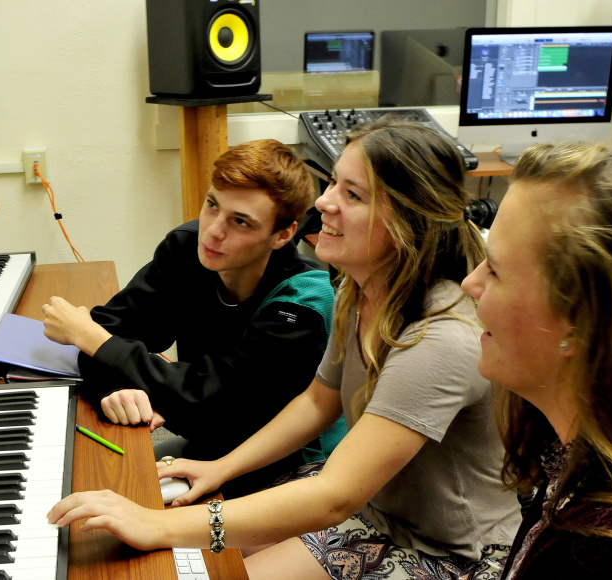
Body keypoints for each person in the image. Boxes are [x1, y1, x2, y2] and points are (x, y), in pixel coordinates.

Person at [47, 119, 523, 580]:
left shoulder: (436, 339)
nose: (324, 202)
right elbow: (318, 401)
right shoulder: (360, 293)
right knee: (168, 542)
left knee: (189, 550)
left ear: (405, 221)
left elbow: (333, 496)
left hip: (446, 550)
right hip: (373, 509)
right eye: (333, 183)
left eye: (351, 194)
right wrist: (220, 468)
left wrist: (157, 526)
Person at [41, 138, 340, 497]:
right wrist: (115, 388)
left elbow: (211, 403)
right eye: (212, 204)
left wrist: (90, 338)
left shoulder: (303, 301)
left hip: (292, 467)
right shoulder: (188, 248)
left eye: (241, 222)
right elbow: (114, 331)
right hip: (208, 447)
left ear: (283, 234)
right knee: (77, 487)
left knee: (120, 512)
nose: (213, 230)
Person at [461, 142, 612, 578]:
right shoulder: (572, 459)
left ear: (583, 320)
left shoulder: (600, 558)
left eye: (494, 268)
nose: (471, 283)